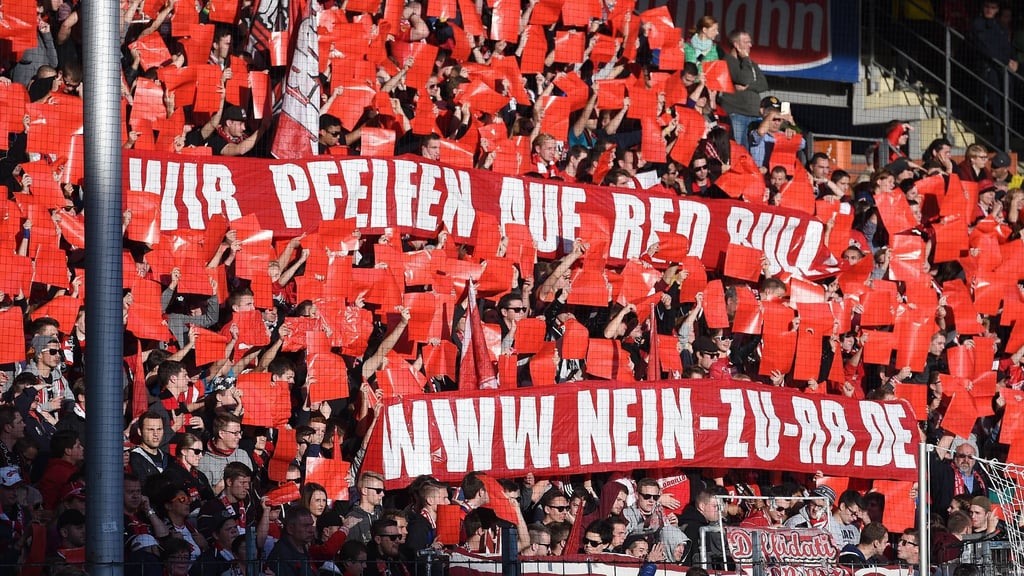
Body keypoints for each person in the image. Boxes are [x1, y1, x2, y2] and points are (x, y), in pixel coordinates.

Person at [718, 30, 768, 149]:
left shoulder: (750, 64)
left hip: (754, 115)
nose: (750, 45)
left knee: (753, 152)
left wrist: (748, 87)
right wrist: (745, 58)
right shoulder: (728, 61)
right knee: (738, 149)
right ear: (736, 44)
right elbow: (744, 78)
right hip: (737, 114)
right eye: (746, 42)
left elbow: (763, 84)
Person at [196, 413, 254, 494]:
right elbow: (203, 497)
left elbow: (252, 487)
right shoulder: (203, 462)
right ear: (221, 434)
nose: (239, 437)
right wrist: (218, 489)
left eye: (240, 432)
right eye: (235, 433)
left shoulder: (242, 455)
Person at [267, 506, 316, 576]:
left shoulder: (301, 548)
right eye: (306, 526)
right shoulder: (282, 556)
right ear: (290, 529)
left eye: (311, 525)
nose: (311, 530)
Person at [128, 411, 169, 484]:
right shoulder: (134, 457)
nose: (156, 434)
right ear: (140, 432)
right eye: (151, 430)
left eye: (159, 429)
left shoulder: (167, 458)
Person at [346, 471, 385, 544]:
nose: (382, 494)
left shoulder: (383, 514)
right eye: (378, 490)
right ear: (364, 491)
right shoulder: (352, 518)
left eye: (383, 490)